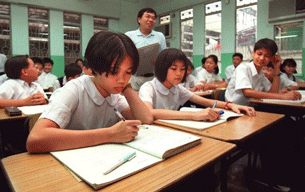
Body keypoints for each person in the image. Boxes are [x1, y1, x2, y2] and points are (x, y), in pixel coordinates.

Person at [26, 31, 154, 153]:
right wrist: (109, 134)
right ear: (96, 67)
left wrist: (127, 89)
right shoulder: (75, 89)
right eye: (114, 71)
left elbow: (146, 119)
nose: (122, 80)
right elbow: (36, 139)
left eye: (128, 72)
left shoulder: (114, 94)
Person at [138, 48, 255, 122]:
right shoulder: (148, 87)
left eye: (182, 69)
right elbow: (150, 112)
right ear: (162, 69)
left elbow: (207, 102)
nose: (179, 73)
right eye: (174, 69)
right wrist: (194, 115)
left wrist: (230, 105)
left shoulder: (177, 88)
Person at [225, 38, 301, 106]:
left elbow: (273, 92)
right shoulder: (243, 68)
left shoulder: (261, 74)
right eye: (259, 54)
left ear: (271, 58)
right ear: (253, 53)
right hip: (234, 108)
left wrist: (277, 68)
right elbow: (247, 92)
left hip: (250, 108)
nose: (262, 58)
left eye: (267, 56)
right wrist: (282, 97)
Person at [125, 7, 167, 91]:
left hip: (153, 78)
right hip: (134, 78)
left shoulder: (160, 36)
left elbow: (164, 56)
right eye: (147, 16)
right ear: (139, 19)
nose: (151, 20)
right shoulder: (129, 35)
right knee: (135, 102)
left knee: (151, 101)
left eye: (153, 18)